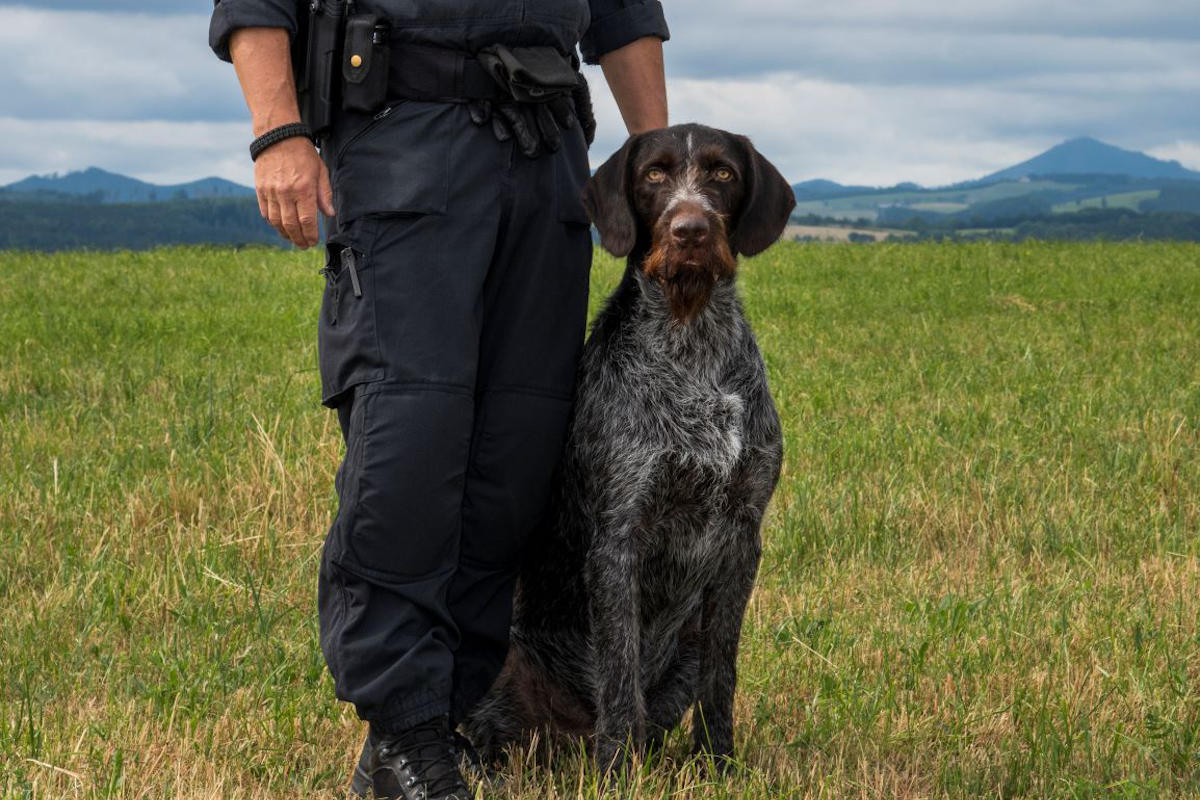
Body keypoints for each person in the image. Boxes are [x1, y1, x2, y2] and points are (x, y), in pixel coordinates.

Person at [209, 1, 668, 797]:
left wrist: (657, 161)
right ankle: (404, 730)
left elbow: (624, 11)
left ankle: (447, 710)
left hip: (546, 152)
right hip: (405, 138)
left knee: (519, 456)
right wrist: (278, 131)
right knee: (410, 445)